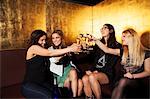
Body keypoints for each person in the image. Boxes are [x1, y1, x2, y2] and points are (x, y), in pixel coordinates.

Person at [21, 29, 81, 98]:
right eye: (42, 40)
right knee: (50, 97)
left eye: (45, 40)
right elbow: (50, 53)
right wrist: (70, 48)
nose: (44, 42)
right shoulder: (33, 48)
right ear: (35, 40)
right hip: (30, 85)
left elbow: (55, 57)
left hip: (42, 83)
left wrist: (71, 48)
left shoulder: (43, 49)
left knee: (60, 94)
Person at [95, 28, 150, 98]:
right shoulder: (123, 52)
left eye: (124, 36)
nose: (121, 38)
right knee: (120, 83)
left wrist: (133, 76)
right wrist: (95, 40)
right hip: (122, 79)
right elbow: (107, 50)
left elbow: (148, 72)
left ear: (131, 38)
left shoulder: (146, 53)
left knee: (123, 82)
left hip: (137, 80)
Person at [82, 24, 122, 99]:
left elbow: (110, 61)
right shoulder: (97, 45)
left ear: (111, 30)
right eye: (101, 28)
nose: (102, 29)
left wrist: (96, 71)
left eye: (105, 28)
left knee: (92, 76)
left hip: (108, 73)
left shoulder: (117, 46)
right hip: (97, 71)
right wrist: (91, 70)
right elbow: (92, 59)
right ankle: (90, 97)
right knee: (84, 78)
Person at [48, 30, 83, 98]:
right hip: (56, 72)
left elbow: (73, 59)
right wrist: (67, 51)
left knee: (75, 75)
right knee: (70, 82)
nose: (55, 40)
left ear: (61, 38)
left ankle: (74, 97)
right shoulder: (49, 49)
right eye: (53, 38)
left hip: (69, 70)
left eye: (57, 37)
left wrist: (77, 48)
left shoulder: (67, 47)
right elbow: (53, 60)